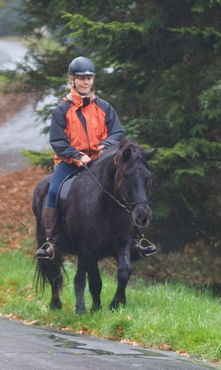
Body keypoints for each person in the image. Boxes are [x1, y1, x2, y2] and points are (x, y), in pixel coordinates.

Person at [35, 56, 156, 259]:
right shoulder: (62, 110)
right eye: (81, 78)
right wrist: (76, 155)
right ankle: (52, 241)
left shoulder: (104, 107)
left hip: (101, 163)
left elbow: (117, 132)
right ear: (72, 79)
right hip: (70, 163)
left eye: (89, 78)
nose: (86, 82)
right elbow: (57, 141)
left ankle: (136, 238)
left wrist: (106, 146)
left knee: (123, 191)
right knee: (55, 191)